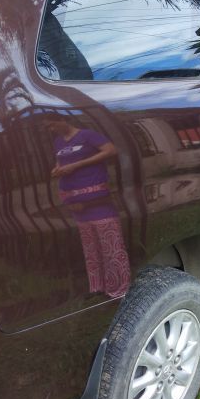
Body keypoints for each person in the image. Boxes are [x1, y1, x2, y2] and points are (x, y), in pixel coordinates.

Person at [43, 113, 130, 298]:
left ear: (63, 119)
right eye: (48, 127)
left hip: (97, 202)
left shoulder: (87, 135)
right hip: (76, 206)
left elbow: (110, 150)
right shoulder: (58, 142)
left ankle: (119, 288)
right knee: (91, 248)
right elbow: (61, 162)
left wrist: (77, 165)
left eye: (53, 125)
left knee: (110, 245)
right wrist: (57, 170)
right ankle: (98, 286)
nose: (52, 130)